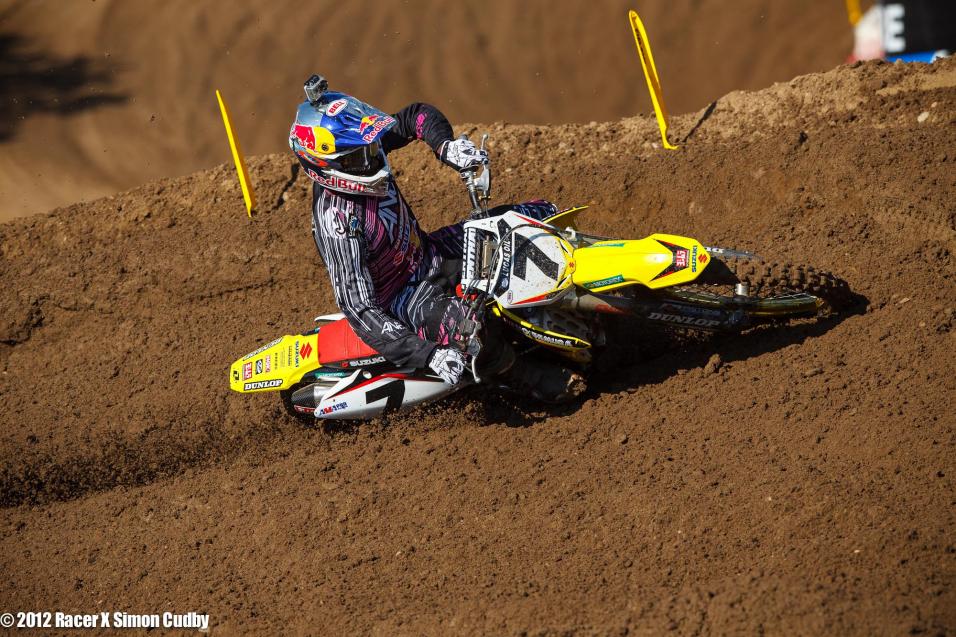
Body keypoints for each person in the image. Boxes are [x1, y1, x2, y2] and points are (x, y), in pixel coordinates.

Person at [289, 75, 583, 403]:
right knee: (472, 332)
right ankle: (523, 377)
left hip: (429, 252)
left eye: (370, 147)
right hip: (404, 300)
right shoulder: (337, 223)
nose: (372, 156)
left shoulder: (358, 151)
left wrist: (446, 146)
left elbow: (415, 115)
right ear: (327, 167)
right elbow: (359, 307)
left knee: (537, 214)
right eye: (361, 155)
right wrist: (428, 355)